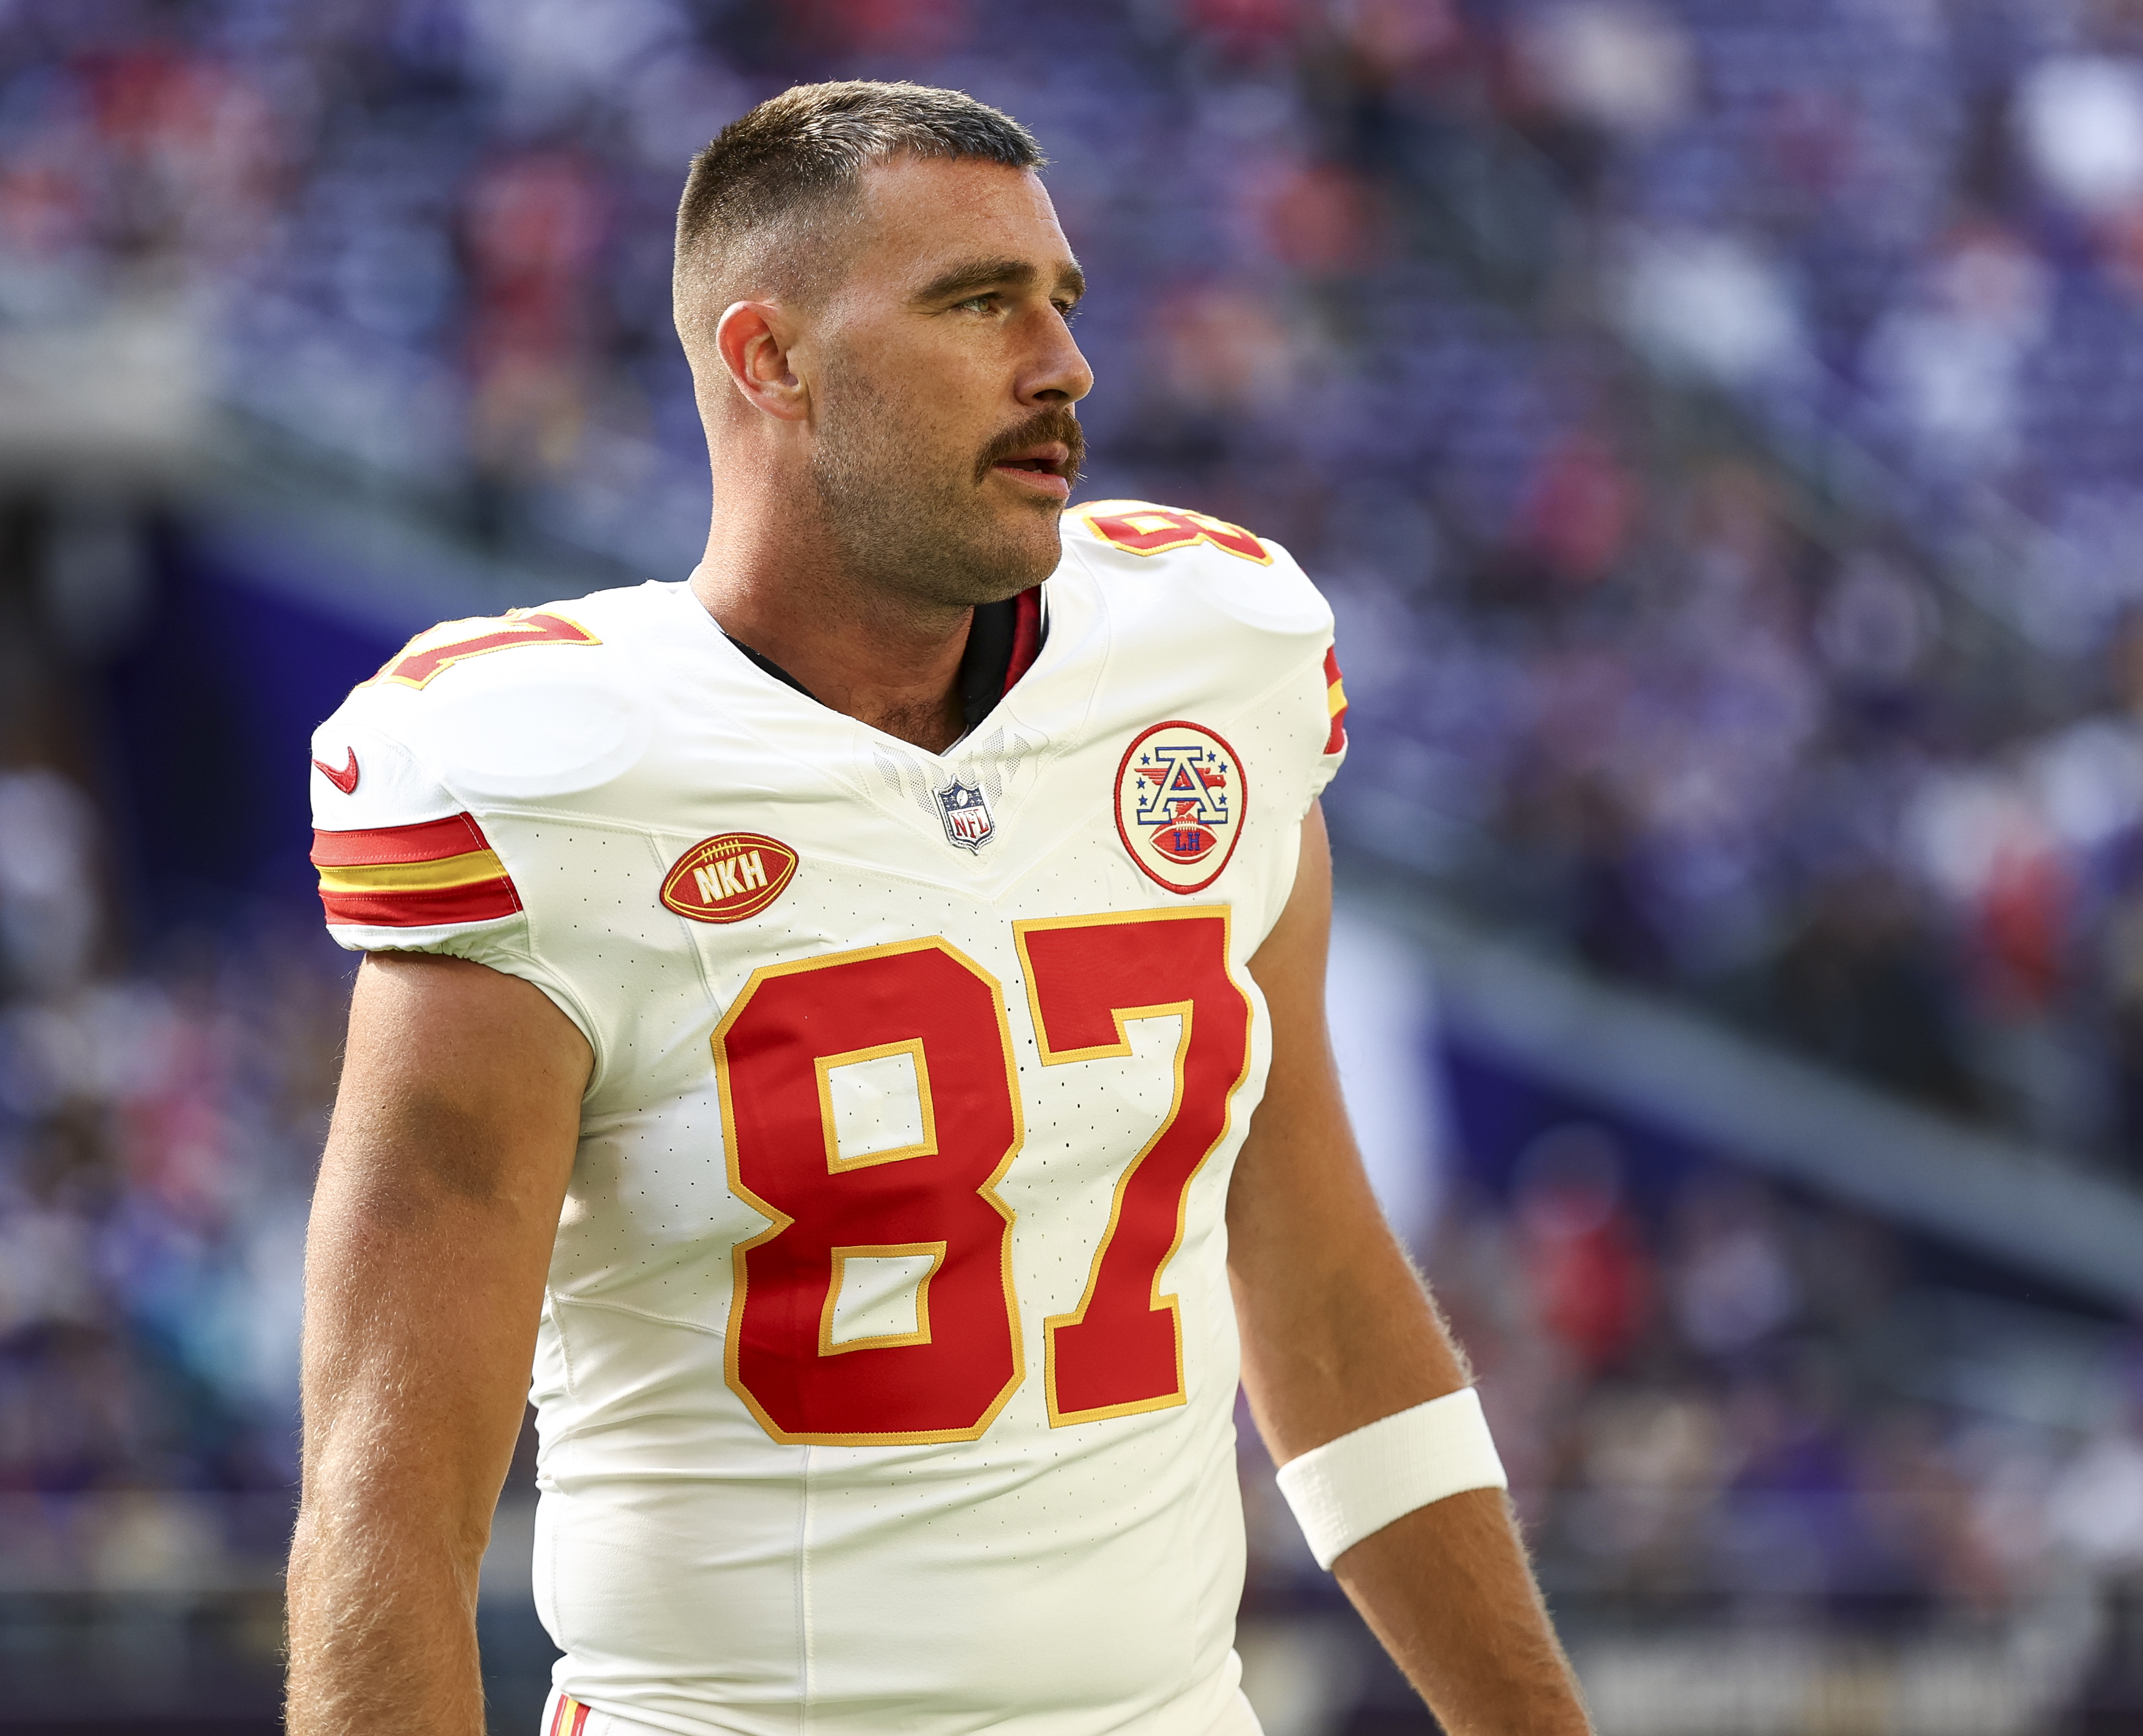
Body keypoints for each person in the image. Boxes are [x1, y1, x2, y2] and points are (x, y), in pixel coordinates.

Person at [282, 79, 1590, 1736]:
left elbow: (1320, 1284)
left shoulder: (1214, 661)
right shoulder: (552, 778)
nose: (1063, 365)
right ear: (773, 363)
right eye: (978, 304)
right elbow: (387, 1510)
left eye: (1062, 302)